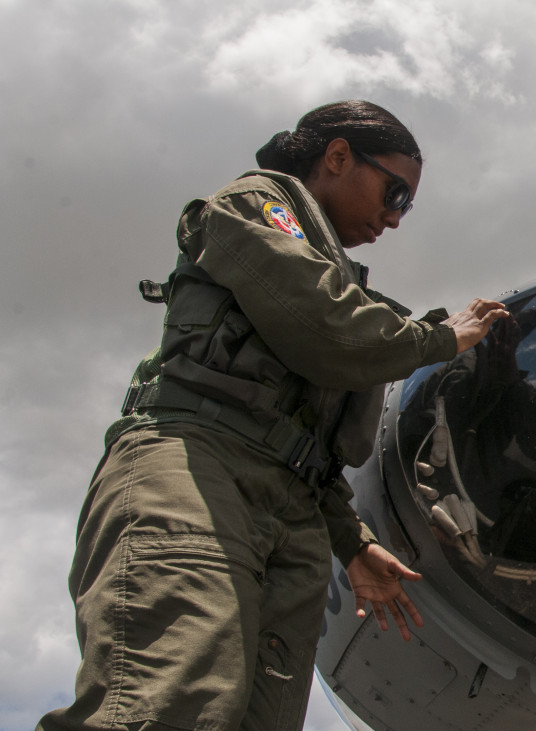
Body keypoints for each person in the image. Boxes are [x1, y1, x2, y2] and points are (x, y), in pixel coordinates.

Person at [39, 101, 509, 731]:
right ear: (337, 157)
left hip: (292, 515)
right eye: (394, 192)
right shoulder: (258, 205)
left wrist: (352, 541)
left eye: (407, 205)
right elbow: (331, 331)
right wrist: (442, 336)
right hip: (200, 474)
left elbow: (303, 437)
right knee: (168, 708)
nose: (395, 218)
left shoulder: (336, 272)